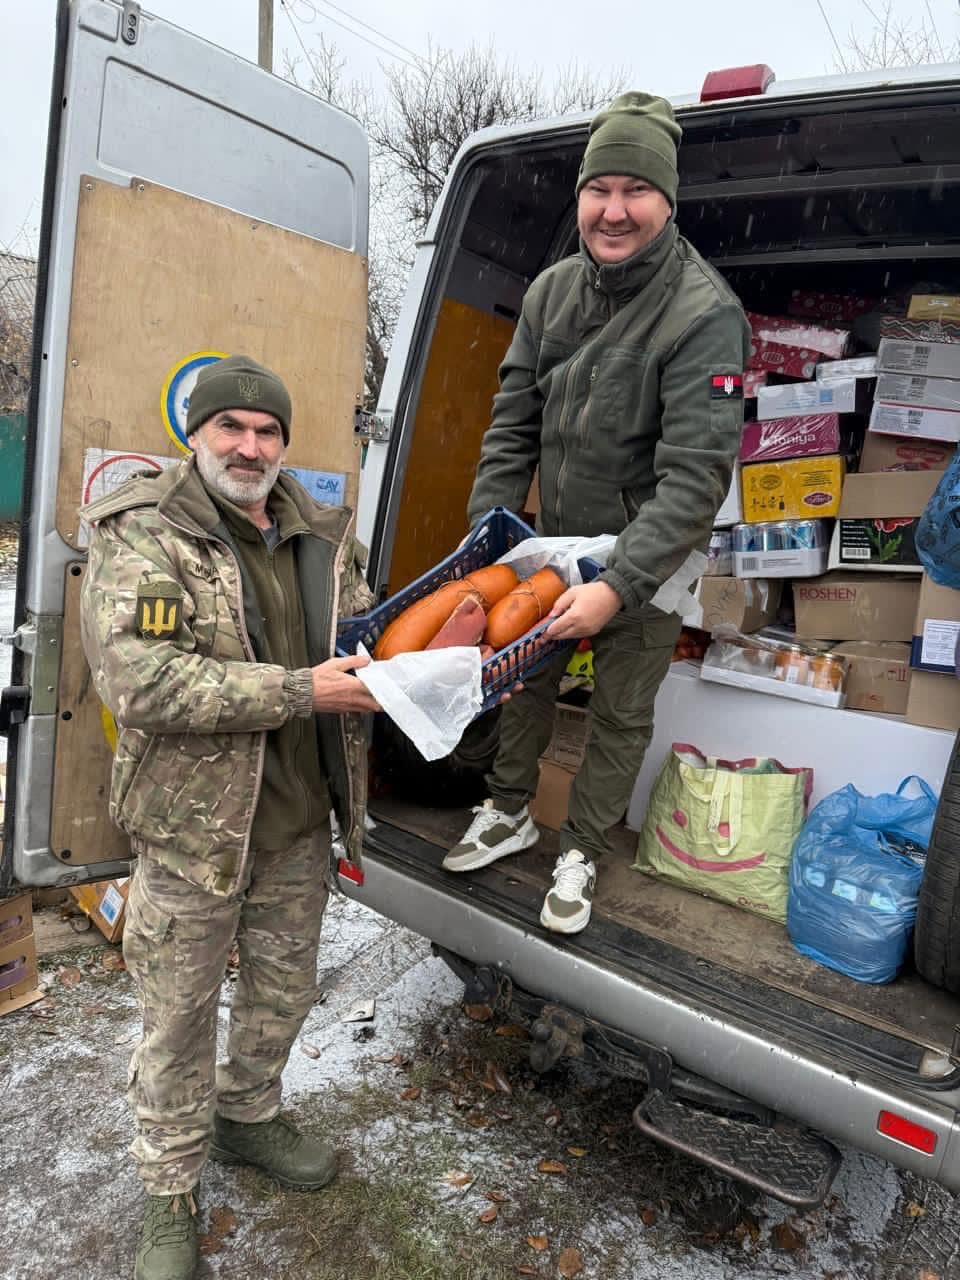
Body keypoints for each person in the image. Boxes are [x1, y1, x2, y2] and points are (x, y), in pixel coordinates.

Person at [79, 355, 380, 1280]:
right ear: (196, 434)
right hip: (192, 834)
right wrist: (302, 689)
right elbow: (141, 682)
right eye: (231, 428)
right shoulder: (143, 531)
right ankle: (170, 1190)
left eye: (267, 431)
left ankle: (247, 1119)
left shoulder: (325, 532)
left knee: (280, 995)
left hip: (296, 824)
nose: (250, 447)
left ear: (285, 443)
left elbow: (364, 642)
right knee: (176, 1016)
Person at [444, 92, 751, 935]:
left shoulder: (703, 312)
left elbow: (694, 479)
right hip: (553, 542)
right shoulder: (548, 296)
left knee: (619, 706)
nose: (614, 211)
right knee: (523, 676)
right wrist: (491, 545)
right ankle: (508, 810)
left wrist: (617, 583)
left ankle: (580, 847)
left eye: (635, 191)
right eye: (599, 189)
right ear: (580, 197)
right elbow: (512, 427)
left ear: (668, 201)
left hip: (653, 550)